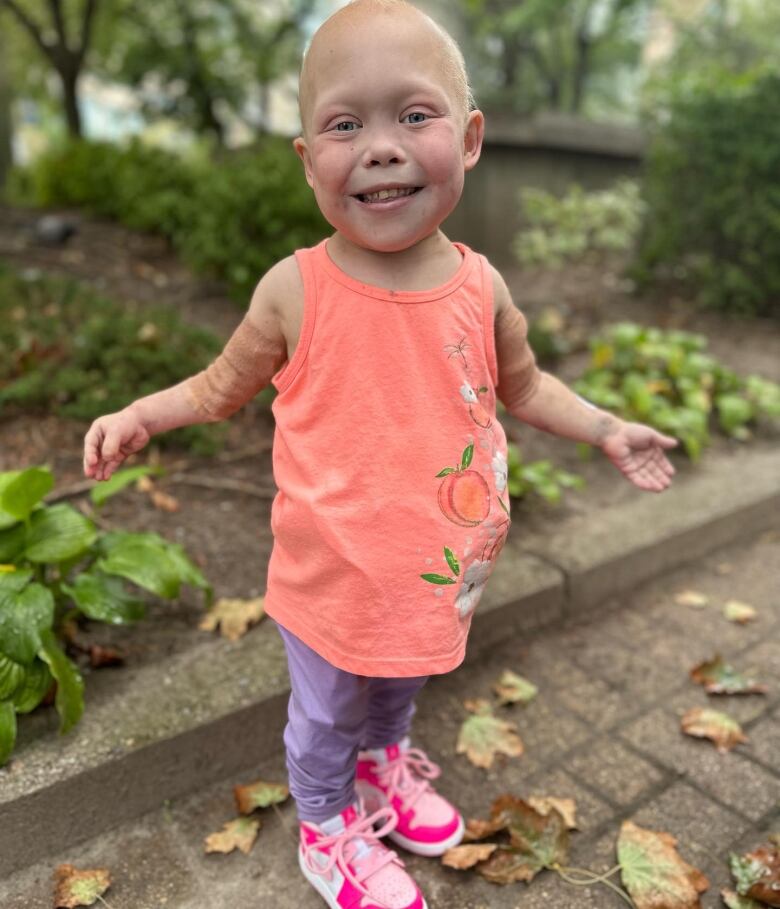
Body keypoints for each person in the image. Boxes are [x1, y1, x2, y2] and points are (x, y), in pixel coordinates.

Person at [83, 2, 677, 906]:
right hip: (331, 574)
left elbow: (525, 387)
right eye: (345, 124)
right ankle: (326, 824)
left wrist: (605, 426)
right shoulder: (296, 288)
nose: (382, 146)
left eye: (414, 115)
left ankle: (382, 772)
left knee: (401, 684)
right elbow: (216, 387)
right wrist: (140, 413)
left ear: (470, 138)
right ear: (307, 159)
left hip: (436, 571)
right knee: (325, 714)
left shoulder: (481, 287)